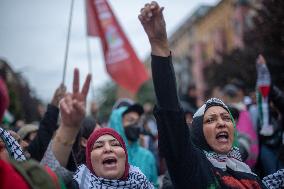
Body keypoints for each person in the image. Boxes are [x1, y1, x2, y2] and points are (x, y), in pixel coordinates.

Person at [138, 2, 283, 188]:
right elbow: (170, 113)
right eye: (210, 120)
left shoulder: (250, 176)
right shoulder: (193, 168)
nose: (221, 122)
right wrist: (159, 47)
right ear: (197, 132)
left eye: (225, 118)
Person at [41, 68, 154, 188]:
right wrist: (68, 128)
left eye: (115, 144)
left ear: (125, 155)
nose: (108, 149)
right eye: (99, 146)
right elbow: (46, 179)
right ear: (89, 159)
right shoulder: (78, 183)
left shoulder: (141, 181)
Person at [109, 100, 159, 187]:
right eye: (130, 120)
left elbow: (155, 185)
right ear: (118, 123)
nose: (136, 125)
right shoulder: (106, 156)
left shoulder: (147, 156)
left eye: (137, 121)